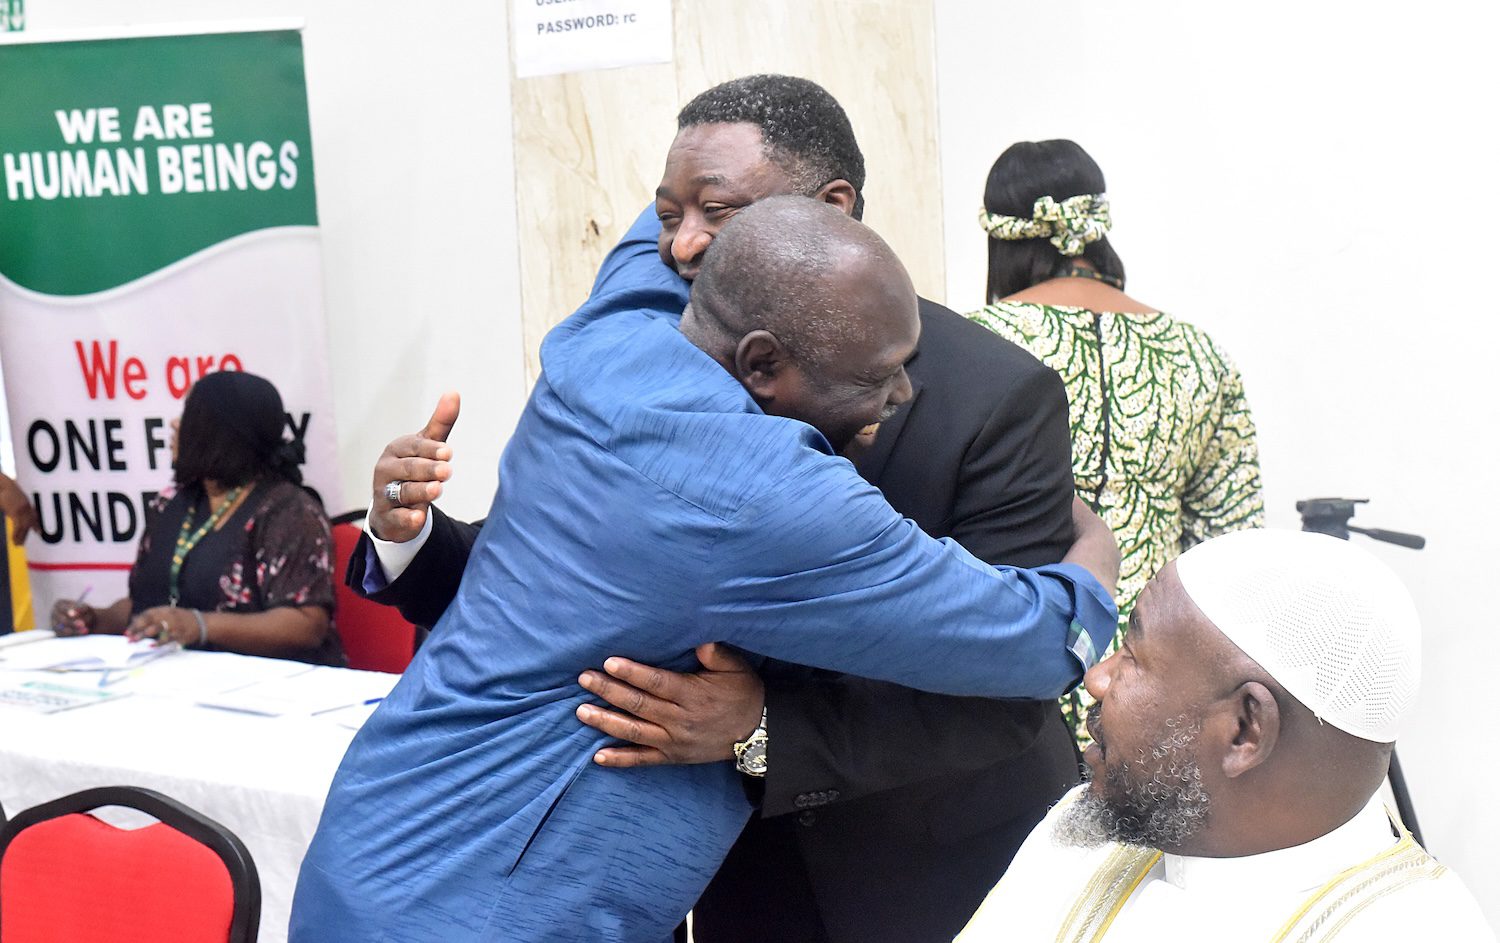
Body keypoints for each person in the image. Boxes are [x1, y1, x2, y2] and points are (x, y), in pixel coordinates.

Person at [352, 75, 1086, 942]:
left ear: (834, 207)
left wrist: (763, 728)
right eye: (670, 218)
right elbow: (569, 588)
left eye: (718, 214)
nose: (685, 247)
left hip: (921, 874)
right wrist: (416, 543)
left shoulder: (997, 395)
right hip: (736, 875)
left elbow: (1011, 694)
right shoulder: (649, 350)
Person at [957, 528, 1495, 942]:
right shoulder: (1098, 822)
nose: (1096, 678)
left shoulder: (1417, 928)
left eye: (1134, 656)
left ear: (1244, 731)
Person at [967, 140, 1264, 651]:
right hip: (1153, 665)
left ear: (1001, 237)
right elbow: (1231, 545)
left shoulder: (970, 343)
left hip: (1012, 660)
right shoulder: (1198, 353)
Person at [50, 371, 342, 666]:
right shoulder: (172, 501)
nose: (175, 424)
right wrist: (96, 619)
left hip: (274, 689)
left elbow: (306, 625)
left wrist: (200, 625)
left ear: (226, 433)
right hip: (178, 680)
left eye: (189, 414)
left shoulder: (289, 511)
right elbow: (144, 604)